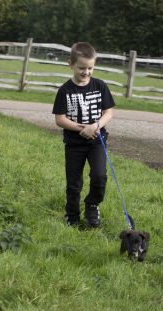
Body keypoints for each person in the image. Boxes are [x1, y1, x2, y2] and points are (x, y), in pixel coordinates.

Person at [52, 42, 115, 228]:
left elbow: (109, 113)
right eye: (81, 68)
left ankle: (92, 205)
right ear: (71, 64)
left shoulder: (100, 86)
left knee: (99, 176)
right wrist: (82, 129)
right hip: (74, 143)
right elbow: (60, 119)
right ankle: (71, 215)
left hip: (97, 142)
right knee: (74, 183)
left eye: (90, 68)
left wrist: (95, 126)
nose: (86, 72)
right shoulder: (65, 90)